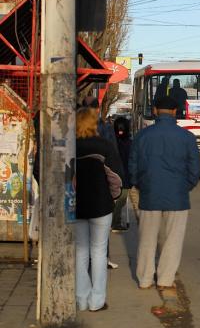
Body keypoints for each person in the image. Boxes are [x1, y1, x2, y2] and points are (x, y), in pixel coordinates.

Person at [130, 96, 200, 290]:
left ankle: (144, 279)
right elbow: (194, 170)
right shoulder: (187, 137)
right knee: (172, 241)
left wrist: (140, 185)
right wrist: (184, 187)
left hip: (149, 195)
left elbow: (133, 167)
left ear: (154, 111)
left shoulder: (142, 136)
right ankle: (165, 280)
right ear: (176, 112)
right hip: (177, 197)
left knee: (146, 239)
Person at [75, 108, 124, 312]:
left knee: (80, 252)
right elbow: (116, 177)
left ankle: (81, 298)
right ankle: (97, 301)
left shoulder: (70, 146)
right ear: (94, 124)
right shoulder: (105, 146)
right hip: (101, 206)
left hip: (76, 206)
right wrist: (113, 197)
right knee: (98, 252)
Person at [82, 96, 120, 269]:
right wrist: (114, 193)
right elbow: (114, 160)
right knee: (101, 237)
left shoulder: (75, 127)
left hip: (80, 188)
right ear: (98, 109)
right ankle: (103, 260)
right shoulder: (105, 128)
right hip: (101, 188)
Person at [112, 117, 132, 232]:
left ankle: (115, 221)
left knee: (121, 199)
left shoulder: (112, 141)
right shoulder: (128, 143)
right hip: (122, 177)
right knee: (121, 199)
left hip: (119, 175)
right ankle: (115, 222)